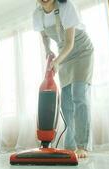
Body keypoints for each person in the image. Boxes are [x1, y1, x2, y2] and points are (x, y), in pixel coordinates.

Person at [33, 0, 94, 158]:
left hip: (81, 51)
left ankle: (82, 146)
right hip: (63, 56)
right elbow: (44, 36)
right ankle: (70, 145)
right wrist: (48, 51)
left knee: (79, 95)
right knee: (66, 103)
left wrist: (56, 61)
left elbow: (70, 42)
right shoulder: (37, 14)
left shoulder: (67, 7)